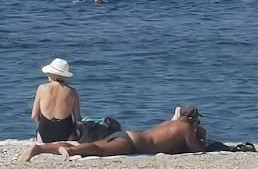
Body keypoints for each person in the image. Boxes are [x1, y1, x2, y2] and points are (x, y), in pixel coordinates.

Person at [22, 105, 207, 162]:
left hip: (130, 136)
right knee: (98, 149)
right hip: (133, 144)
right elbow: (197, 149)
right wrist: (201, 136)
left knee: (87, 145)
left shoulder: (170, 123)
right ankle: (70, 152)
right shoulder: (186, 129)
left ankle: (40, 149)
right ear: (192, 120)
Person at [31, 58, 80, 144]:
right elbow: (77, 118)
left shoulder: (42, 88)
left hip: (45, 134)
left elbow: (34, 116)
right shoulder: (72, 91)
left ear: (53, 74)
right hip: (66, 134)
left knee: (41, 130)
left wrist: (45, 126)